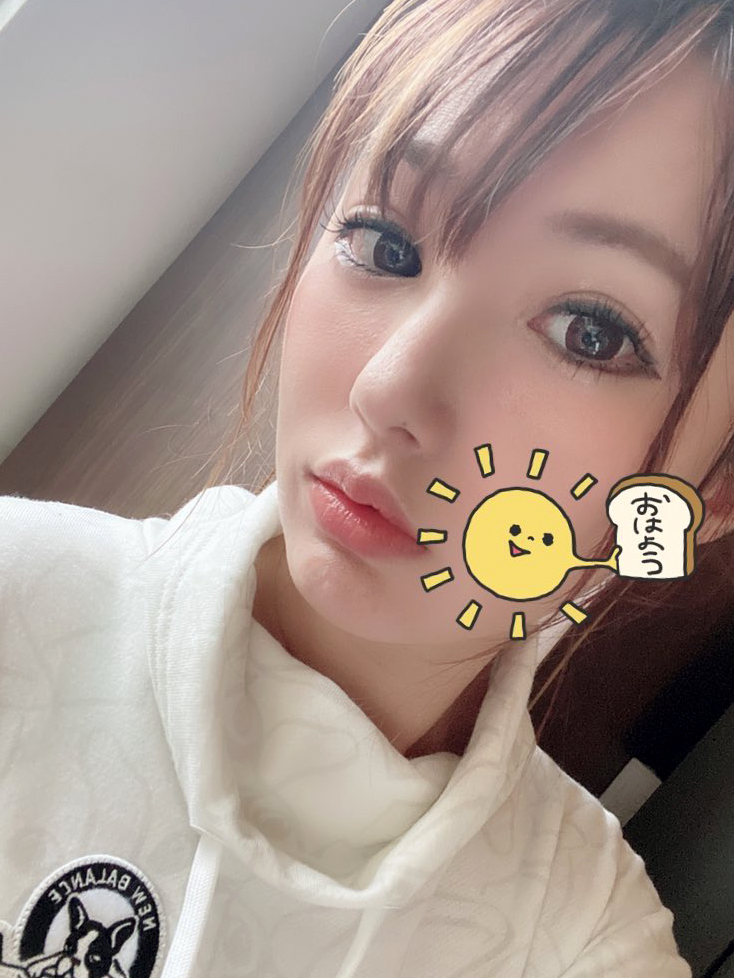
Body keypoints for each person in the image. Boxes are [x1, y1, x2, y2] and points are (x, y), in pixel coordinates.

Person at [1, 0, 733, 975]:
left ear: (711, 492)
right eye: (387, 244)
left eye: (588, 333)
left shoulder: (579, 942)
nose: (387, 389)